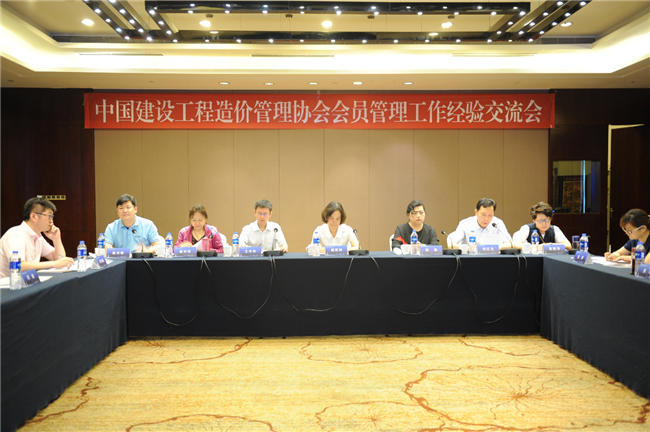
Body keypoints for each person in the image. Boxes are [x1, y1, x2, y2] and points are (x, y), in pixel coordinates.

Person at [0, 197, 74, 277]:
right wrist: (53, 264)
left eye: (52, 216)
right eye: (49, 216)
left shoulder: (38, 236)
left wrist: (56, 239)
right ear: (34, 216)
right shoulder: (16, 234)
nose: (51, 221)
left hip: (27, 281)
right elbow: (19, 265)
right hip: (8, 283)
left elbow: (59, 259)